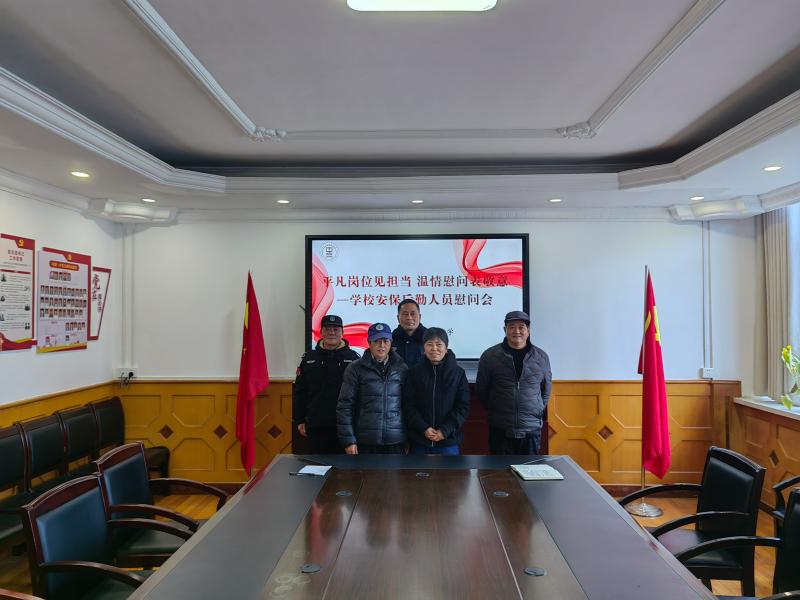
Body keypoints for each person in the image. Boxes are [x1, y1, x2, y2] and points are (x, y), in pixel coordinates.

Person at [476, 310, 552, 455]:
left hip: (530, 428)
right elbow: (482, 389)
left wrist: (536, 409)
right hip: (500, 428)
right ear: (505, 330)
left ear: (528, 331)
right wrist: (495, 407)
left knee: (529, 468)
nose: (516, 331)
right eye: (511, 327)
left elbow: (546, 389)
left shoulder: (541, 357)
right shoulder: (490, 356)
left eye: (521, 327)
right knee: (500, 469)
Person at [337, 322, 408, 454]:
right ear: (369, 343)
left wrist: (407, 439)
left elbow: (408, 405)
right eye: (377, 341)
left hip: (395, 441)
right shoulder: (355, 368)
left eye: (385, 341)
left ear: (391, 343)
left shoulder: (401, 368)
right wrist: (349, 440)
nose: (382, 345)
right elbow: (345, 406)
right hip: (365, 441)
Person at [293, 315, 360, 454]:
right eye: (328, 329)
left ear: (342, 332)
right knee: (319, 464)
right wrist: (300, 419)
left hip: (346, 425)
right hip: (317, 424)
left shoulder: (354, 358)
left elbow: (360, 393)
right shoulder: (309, 358)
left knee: (345, 466)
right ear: (321, 332)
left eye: (336, 329)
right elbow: (300, 391)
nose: (331, 333)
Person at [402, 327, 470, 455]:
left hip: (448, 441)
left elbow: (462, 407)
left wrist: (445, 430)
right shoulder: (414, 373)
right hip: (420, 440)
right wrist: (423, 428)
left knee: (449, 469)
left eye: (439, 344)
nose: (434, 348)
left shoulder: (458, 373)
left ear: (446, 348)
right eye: (429, 344)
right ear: (423, 348)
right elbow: (408, 405)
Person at [392, 298, 427, 368]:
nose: (409, 317)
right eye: (405, 314)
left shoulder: (429, 338)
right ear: (398, 318)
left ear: (420, 317)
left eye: (413, 314)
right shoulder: (391, 339)